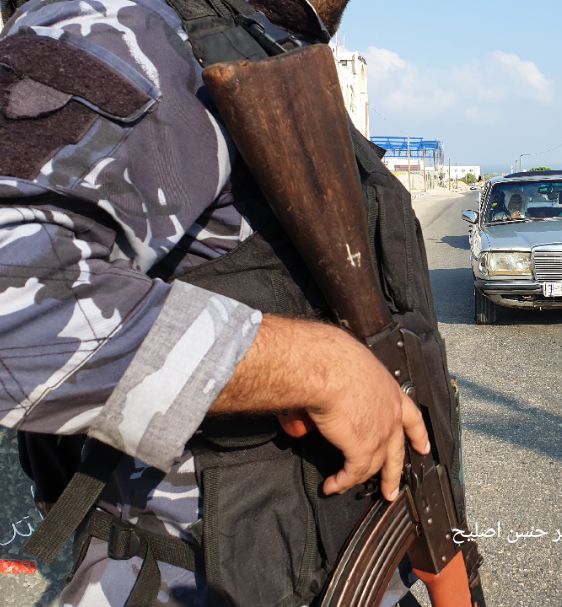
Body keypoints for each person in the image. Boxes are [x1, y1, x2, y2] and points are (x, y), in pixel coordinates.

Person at [0, 0, 431, 604]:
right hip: (197, 575)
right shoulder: (126, 28)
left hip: (332, 555)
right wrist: (319, 368)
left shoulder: (253, 42)